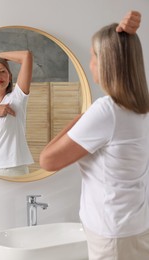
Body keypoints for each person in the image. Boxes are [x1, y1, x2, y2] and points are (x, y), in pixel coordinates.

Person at [40, 11, 149, 260]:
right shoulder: (140, 108)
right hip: (134, 227)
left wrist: (83, 116)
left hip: (112, 235)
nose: (90, 64)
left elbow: (47, 160)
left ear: (108, 62)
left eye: (93, 56)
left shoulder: (106, 111)